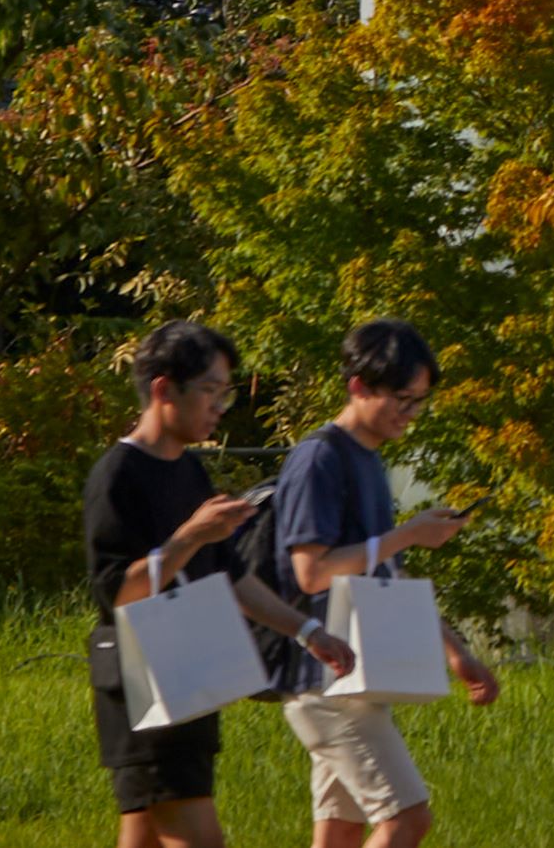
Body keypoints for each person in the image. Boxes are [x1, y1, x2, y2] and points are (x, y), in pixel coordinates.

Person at [85, 322, 325, 848]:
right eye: (210, 391)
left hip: (190, 674)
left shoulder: (190, 470)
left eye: (225, 392)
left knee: (143, 833)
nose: (220, 406)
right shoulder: (117, 474)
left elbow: (231, 578)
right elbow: (114, 593)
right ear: (163, 390)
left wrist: (308, 631)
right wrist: (190, 536)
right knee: (195, 835)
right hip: (142, 677)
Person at [268, 322, 504, 848]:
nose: (409, 414)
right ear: (358, 385)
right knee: (406, 819)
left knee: (340, 832)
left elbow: (384, 575)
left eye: (419, 402)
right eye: (401, 398)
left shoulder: (370, 460)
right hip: (321, 678)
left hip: (353, 676)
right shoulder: (319, 458)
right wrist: (408, 535)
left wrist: (457, 653)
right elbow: (311, 571)